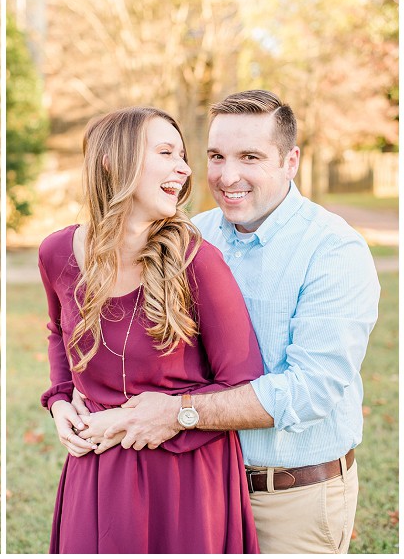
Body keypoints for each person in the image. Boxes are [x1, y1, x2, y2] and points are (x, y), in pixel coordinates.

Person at [77, 90, 380, 553]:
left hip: (288, 496)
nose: (227, 175)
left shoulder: (333, 250)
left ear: (290, 161)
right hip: (197, 487)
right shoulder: (188, 235)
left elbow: (313, 388)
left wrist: (181, 413)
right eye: (216, 156)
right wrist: (67, 399)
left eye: (250, 157)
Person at [39, 106, 264, 553]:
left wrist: (157, 415)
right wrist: (60, 400)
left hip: (186, 477)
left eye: (183, 155)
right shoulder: (56, 253)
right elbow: (56, 333)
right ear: (112, 161)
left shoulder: (196, 261)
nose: (184, 168)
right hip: (96, 469)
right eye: (166, 152)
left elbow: (243, 382)